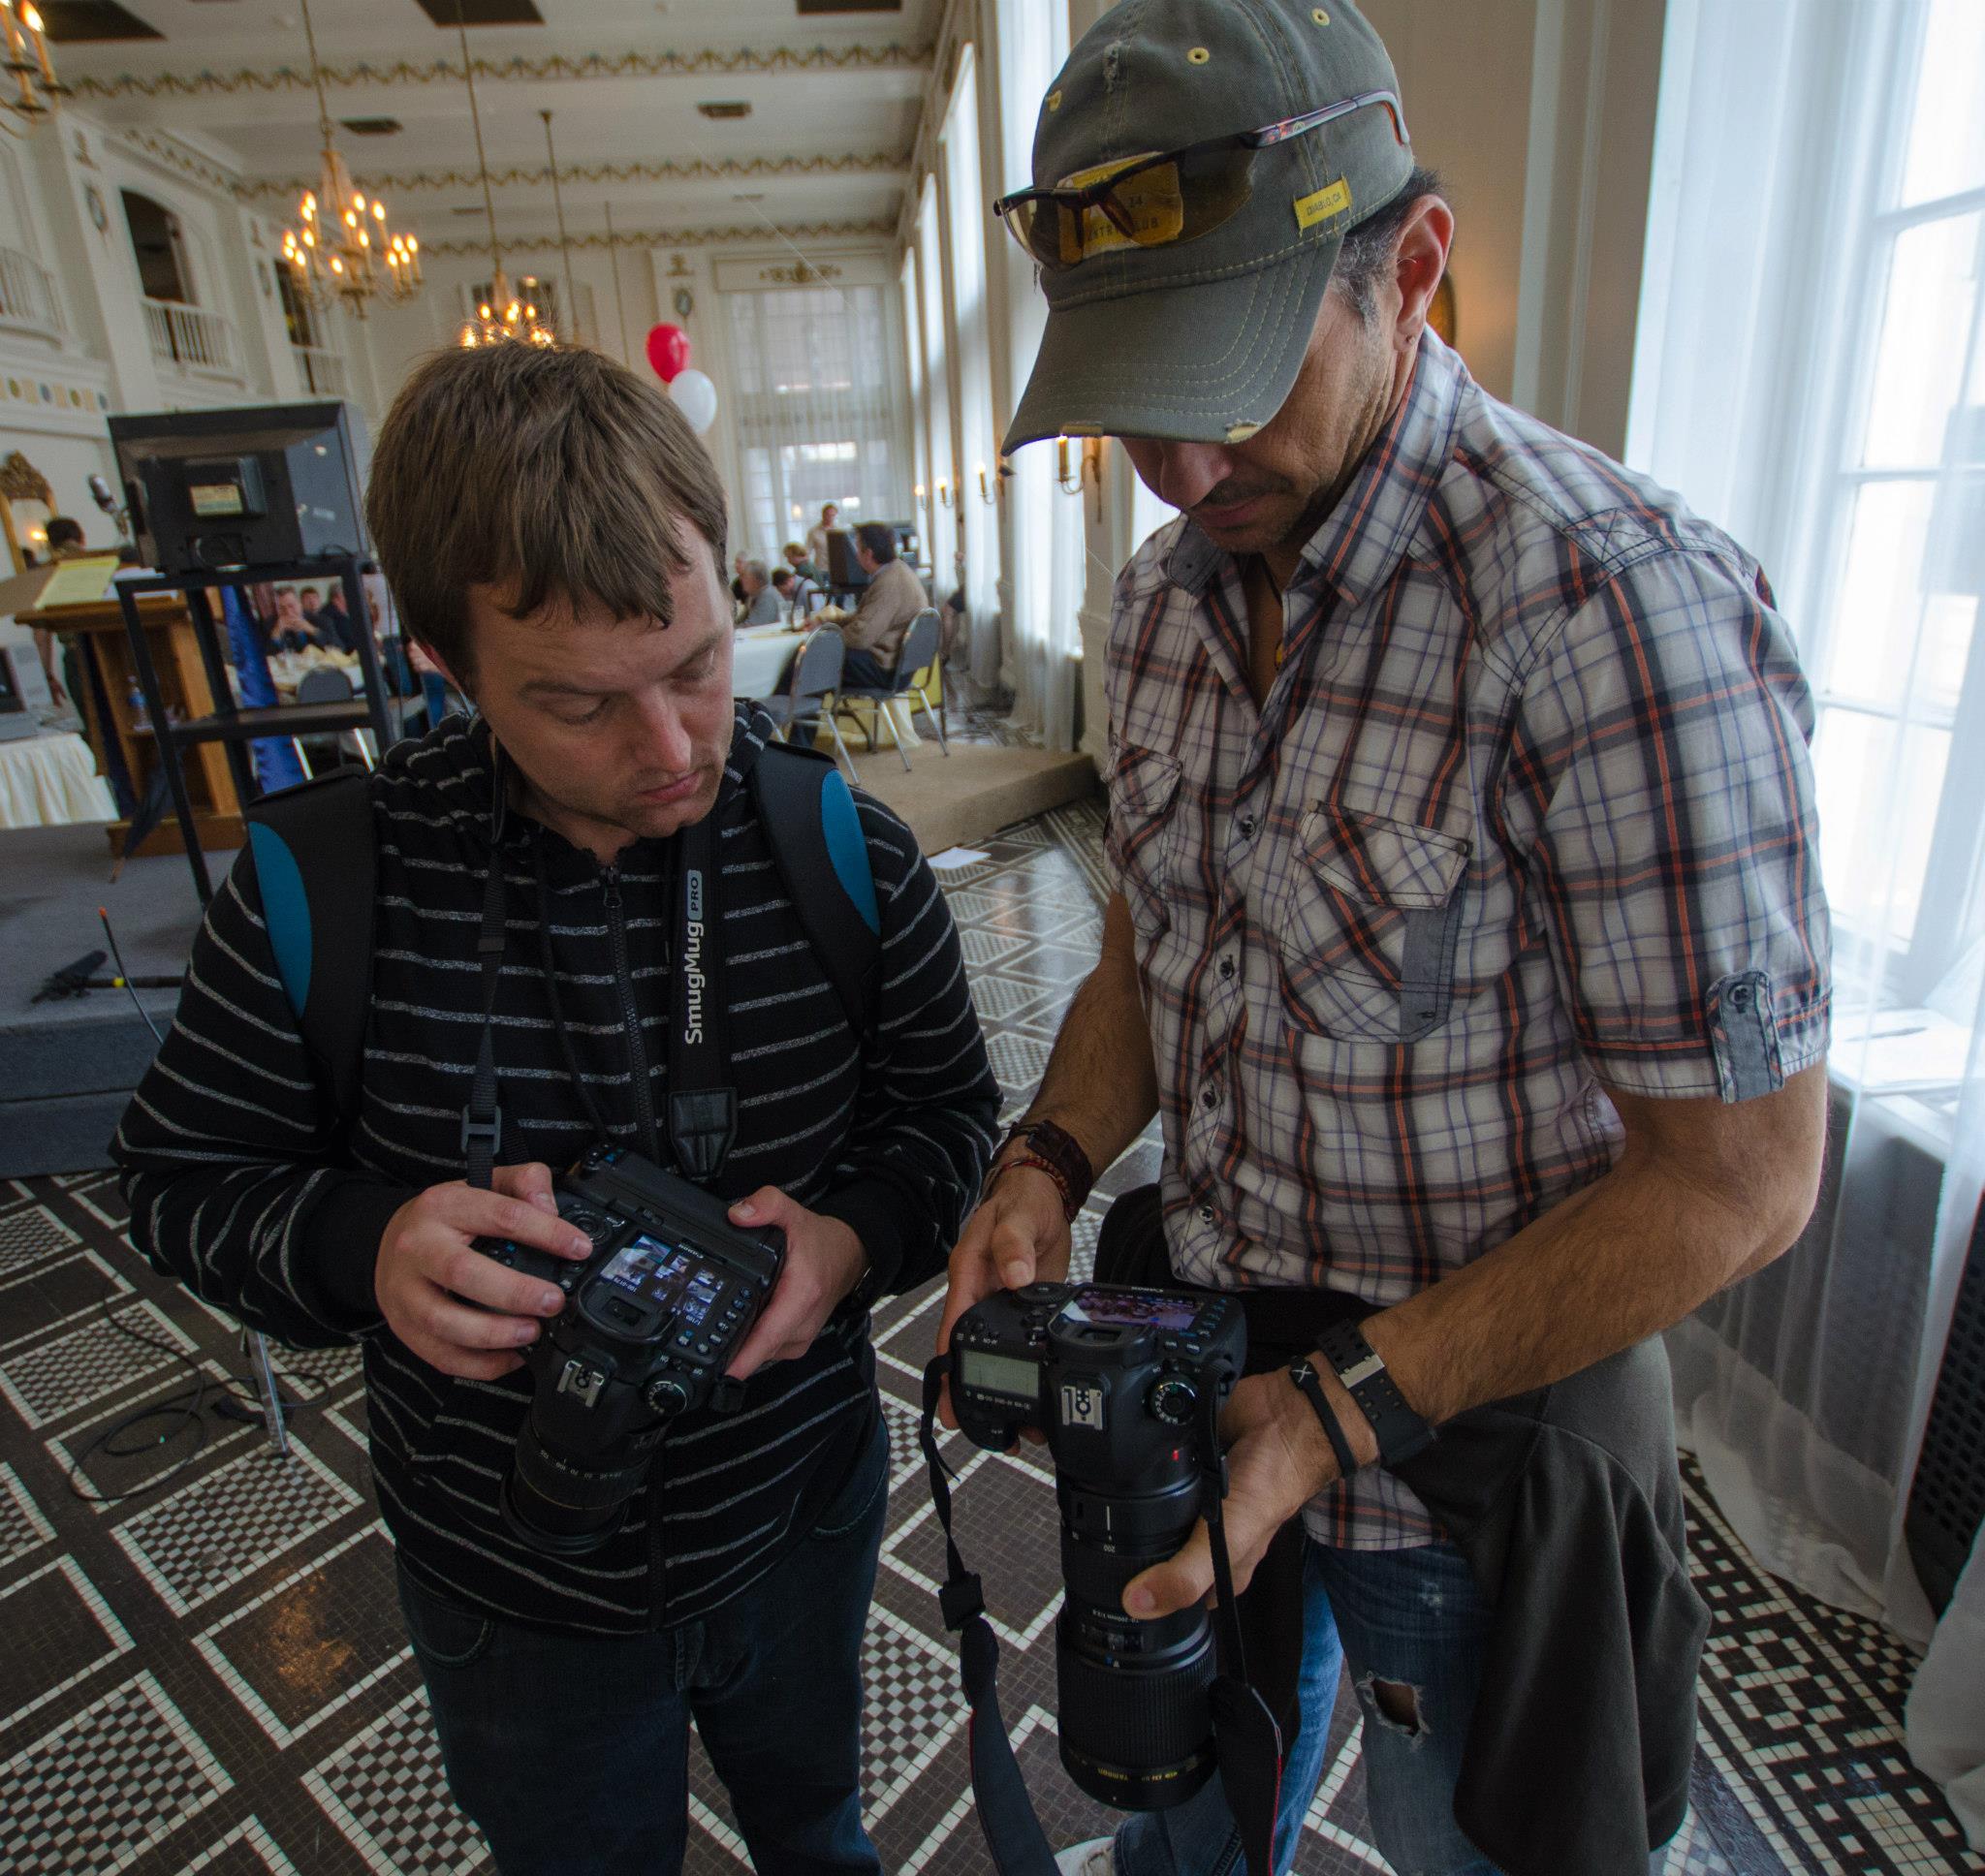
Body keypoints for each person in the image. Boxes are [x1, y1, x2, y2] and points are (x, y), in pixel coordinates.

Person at [940, 6, 1832, 1875]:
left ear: (1408, 269)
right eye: (1135, 393)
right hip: (1205, 1405)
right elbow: (1149, 956)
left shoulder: (1609, 613)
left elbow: (1739, 1180)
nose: (1180, 464)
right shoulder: (1168, 606)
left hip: (1475, 1490)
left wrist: (1347, 1409)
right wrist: (1049, 1152)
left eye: (1234, 372)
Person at [112, 342, 1000, 1876]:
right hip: (505, 1583)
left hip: (797, 1520)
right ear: (444, 664)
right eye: (581, 704)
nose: (670, 753)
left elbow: (949, 1130)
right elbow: (180, 1180)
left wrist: (851, 1245)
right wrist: (364, 1247)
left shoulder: (846, 856)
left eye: (699, 668)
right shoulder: (323, 886)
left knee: (821, 1835)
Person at [837, 521, 927, 687]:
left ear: (868, 554)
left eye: (857, 548)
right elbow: (864, 618)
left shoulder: (889, 582)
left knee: (811, 656)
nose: (856, 555)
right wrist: (829, 624)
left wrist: (825, 638)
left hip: (887, 670)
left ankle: (788, 709)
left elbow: (861, 636)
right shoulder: (897, 570)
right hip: (900, 665)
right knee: (818, 659)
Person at [734, 556, 780, 627]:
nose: (741, 579)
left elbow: (753, 625)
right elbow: (739, 621)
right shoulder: (753, 595)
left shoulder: (767, 596)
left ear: (756, 580)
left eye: (744, 576)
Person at [804, 502, 838, 570]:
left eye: (833, 515)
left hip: (836, 568)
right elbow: (807, 551)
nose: (830, 518)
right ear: (823, 515)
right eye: (828, 515)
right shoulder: (813, 531)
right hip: (821, 569)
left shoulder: (838, 531)